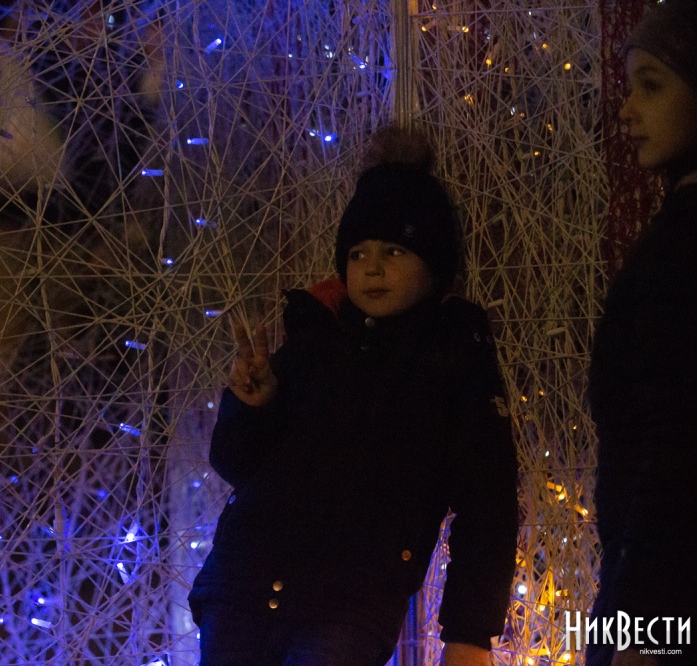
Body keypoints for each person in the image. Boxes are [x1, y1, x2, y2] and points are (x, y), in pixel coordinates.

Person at [188, 127, 518, 666]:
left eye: (394, 250)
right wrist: (253, 407)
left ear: (434, 264)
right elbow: (235, 463)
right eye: (358, 252)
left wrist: (469, 633)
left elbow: (489, 502)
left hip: (349, 604)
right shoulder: (315, 337)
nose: (372, 267)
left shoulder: (452, 358)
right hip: (242, 583)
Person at [587, 2, 697, 665]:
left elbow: (677, 442)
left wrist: (638, 624)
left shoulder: (681, 249)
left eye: (651, 86)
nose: (626, 111)